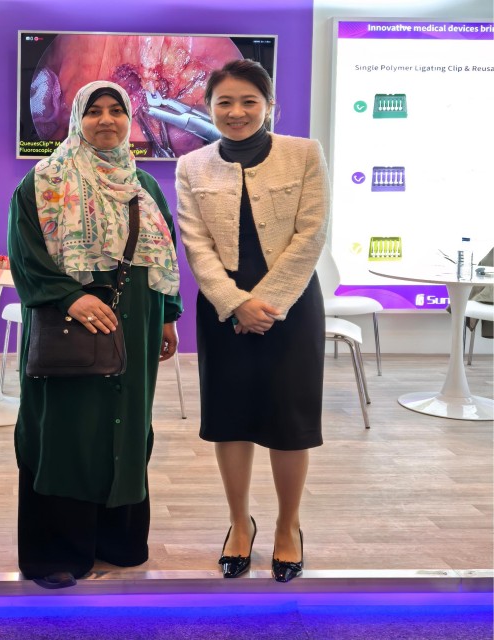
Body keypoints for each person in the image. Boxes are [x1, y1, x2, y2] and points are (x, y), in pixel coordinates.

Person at [7, 81, 183, 589]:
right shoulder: (43, 181)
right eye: (94, 111)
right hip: (69, 324)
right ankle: (57, 551)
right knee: (64, 426)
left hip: (138, 320)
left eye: (116, 110)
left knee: (127, 424)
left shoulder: (143, 186)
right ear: (76, 119)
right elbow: (25, 254)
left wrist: (167, 315)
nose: (106, 120)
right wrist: (70, 296)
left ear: (129, 119)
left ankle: (116, 541)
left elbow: (164, 256)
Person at [175, 59, 330, 583]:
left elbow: (311, 234)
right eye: (224, 102)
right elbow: (196, 244)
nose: (236, 112)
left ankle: (289, 527)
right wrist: (234, 303)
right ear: (209, 107)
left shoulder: (304, 153)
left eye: (249, 101)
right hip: (224, 310)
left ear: (269, 106)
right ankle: (239, 524)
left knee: (290, 423)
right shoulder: (192, 165)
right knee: (231, 420)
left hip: (291, 307)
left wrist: (264, 303)